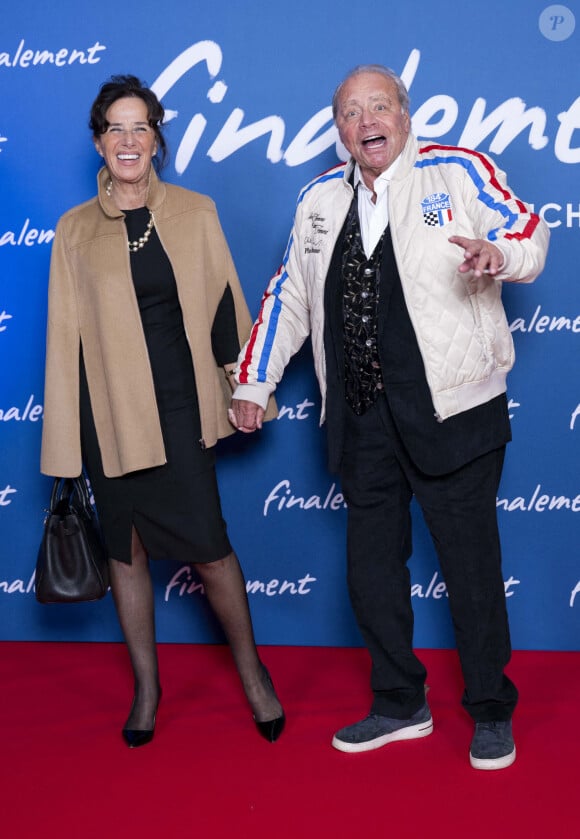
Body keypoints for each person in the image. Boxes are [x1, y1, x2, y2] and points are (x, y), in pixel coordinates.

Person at [229, 65, 549, 770]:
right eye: (349, 111)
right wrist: (255, 379)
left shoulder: (456, 171)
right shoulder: (317, 199)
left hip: (453, 410)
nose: (365, 119)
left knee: (470, 570)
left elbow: (527, 228)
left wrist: (504, 254)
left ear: (405, 114)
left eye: (379, 105)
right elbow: (288, 295)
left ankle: (491, 708)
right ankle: (401, 701)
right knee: (371, 571)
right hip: (362, 417)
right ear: (338, 128)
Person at [41, 74, 284, 748]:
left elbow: (226, 312)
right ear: (99, 141)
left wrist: (248, 386)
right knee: (126, 554)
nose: (127, 139)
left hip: (179, 408)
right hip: (110, 416)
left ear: (157, 139)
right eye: (114, 127)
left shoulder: (196, 212)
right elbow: (64, 343)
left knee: (211, 549)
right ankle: (147, 689)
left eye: (139, 125)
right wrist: (66, 444)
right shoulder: (72, 230)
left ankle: (254, 675)